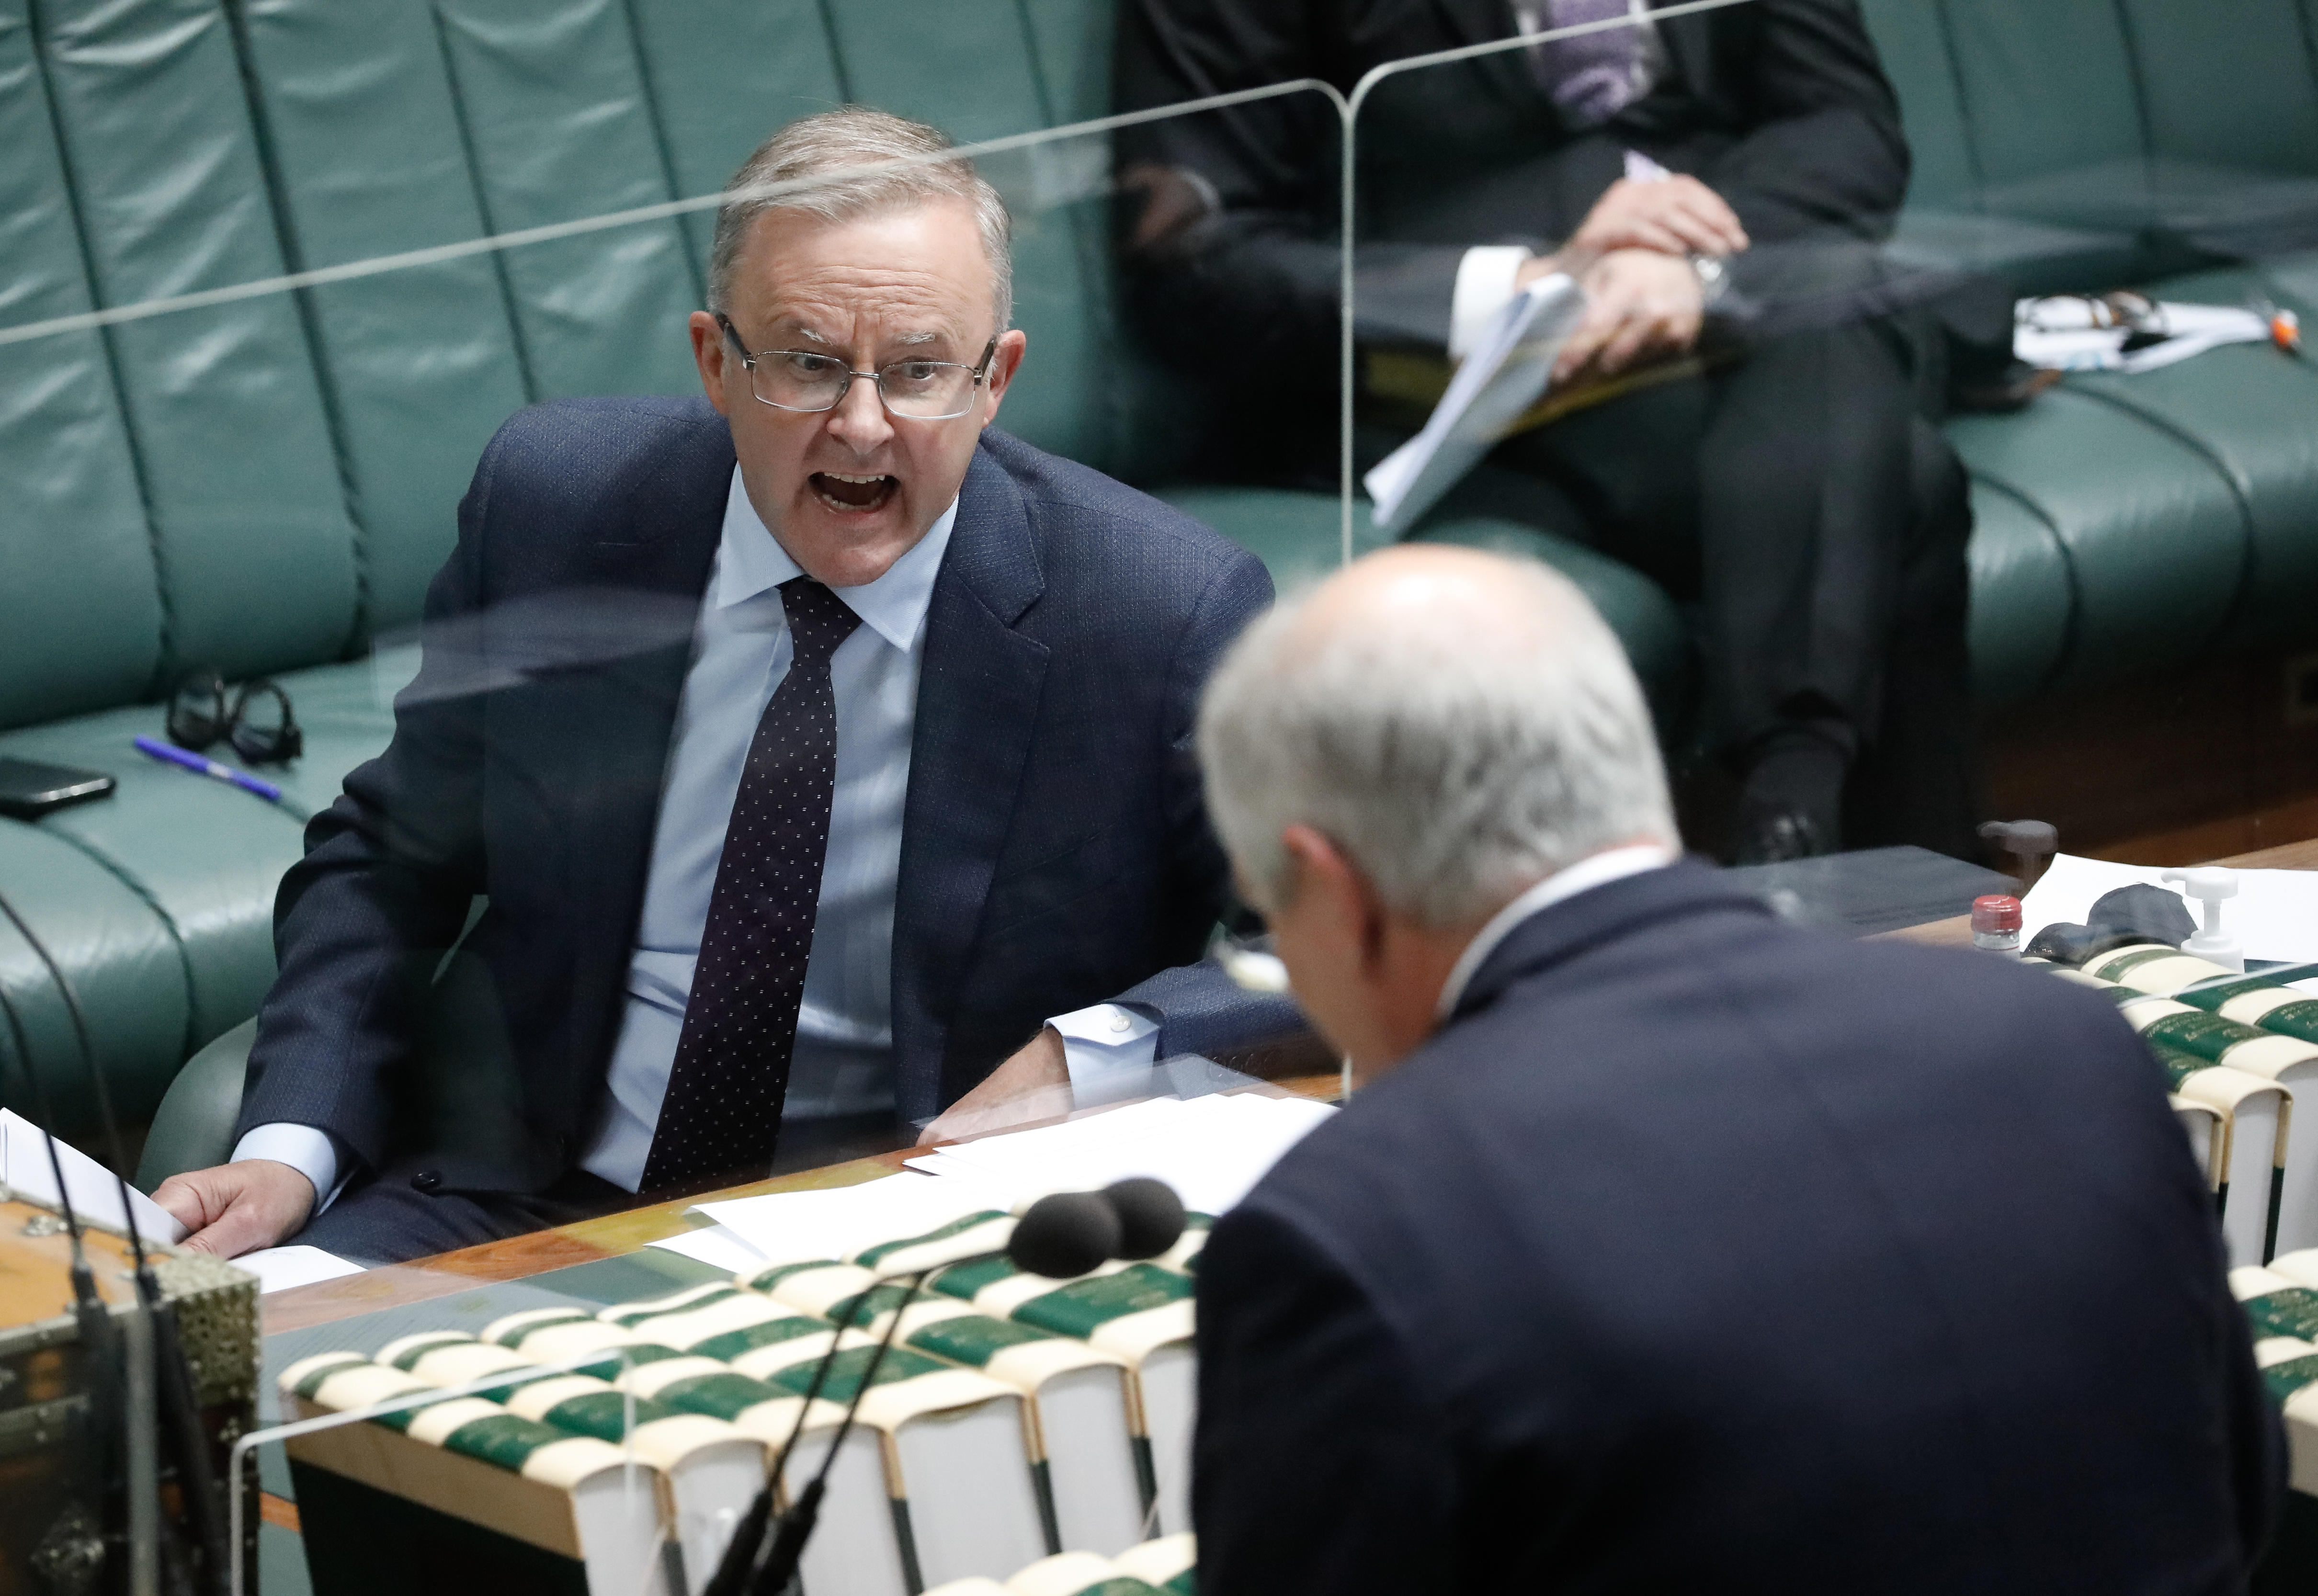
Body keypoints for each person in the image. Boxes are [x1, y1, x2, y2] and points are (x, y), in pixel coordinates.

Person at [150, 109, 1296, 1265]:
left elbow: (1336, 939)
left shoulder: (1156, 611)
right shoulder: (558, 506)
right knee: (216, 1391)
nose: (861, 425)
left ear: (993, 379)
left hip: (901, 1237)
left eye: (916, 371)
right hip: (516, 1204)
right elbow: (391, 860)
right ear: (715, 361)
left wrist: (1091, 1053)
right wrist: (289, 1146)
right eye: (806, 363)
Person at [1187, 544, 2283, 1593]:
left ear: (1326, 885)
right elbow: (2237, 1497)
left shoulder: (1349, 1231)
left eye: (1267, 918)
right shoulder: (2061, 1044)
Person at [1116, 0, 1976, 863]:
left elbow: (1845, 120)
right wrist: (1537, 280)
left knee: (1835, 342)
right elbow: (1200, 255)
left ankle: (1798, 839)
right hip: (1442, 382)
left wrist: (1689, 261)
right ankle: (1851, 868)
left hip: (1736, 315)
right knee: (1907, 475)